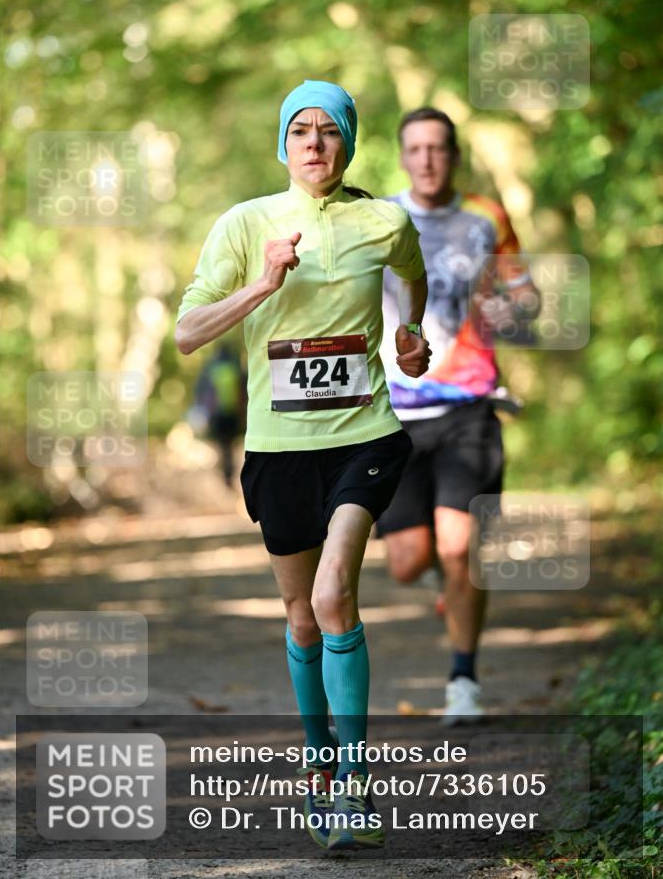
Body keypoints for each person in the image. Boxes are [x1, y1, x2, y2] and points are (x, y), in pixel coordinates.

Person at [175, 80, 430, 850]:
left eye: (327, 131)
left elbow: (413, 278)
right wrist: (262, 282)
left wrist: (410, 334)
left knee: (331, 595)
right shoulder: (245, 223)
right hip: (280, 453)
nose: (313, 143)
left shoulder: (383, 219)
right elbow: (188, 332)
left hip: (365, 437)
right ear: (283, 144)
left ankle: (353, 781)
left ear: (347, 141)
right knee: (298, 616)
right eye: (299, 131)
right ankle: (319, 767)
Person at [377, 108, 540, 725]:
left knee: (459, 548)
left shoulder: (487, 217)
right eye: (415, 148)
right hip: (394, 413)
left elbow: (523, 291)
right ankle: (448, 591)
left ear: (455, 156)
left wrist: (515, 308)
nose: (426, 159)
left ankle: (463, 681)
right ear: (401, 156)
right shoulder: (378, 218)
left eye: (438, 148)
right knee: (408, 562)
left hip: (470, 407)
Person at [192, 342, 247, 486]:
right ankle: (229, 472)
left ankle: (225, 471)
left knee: (222, 445)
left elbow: (201, 391)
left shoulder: (211, 366)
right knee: (230, 445)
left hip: (216, 415)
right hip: (233, 414)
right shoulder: (235, 366)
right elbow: (245, 389)